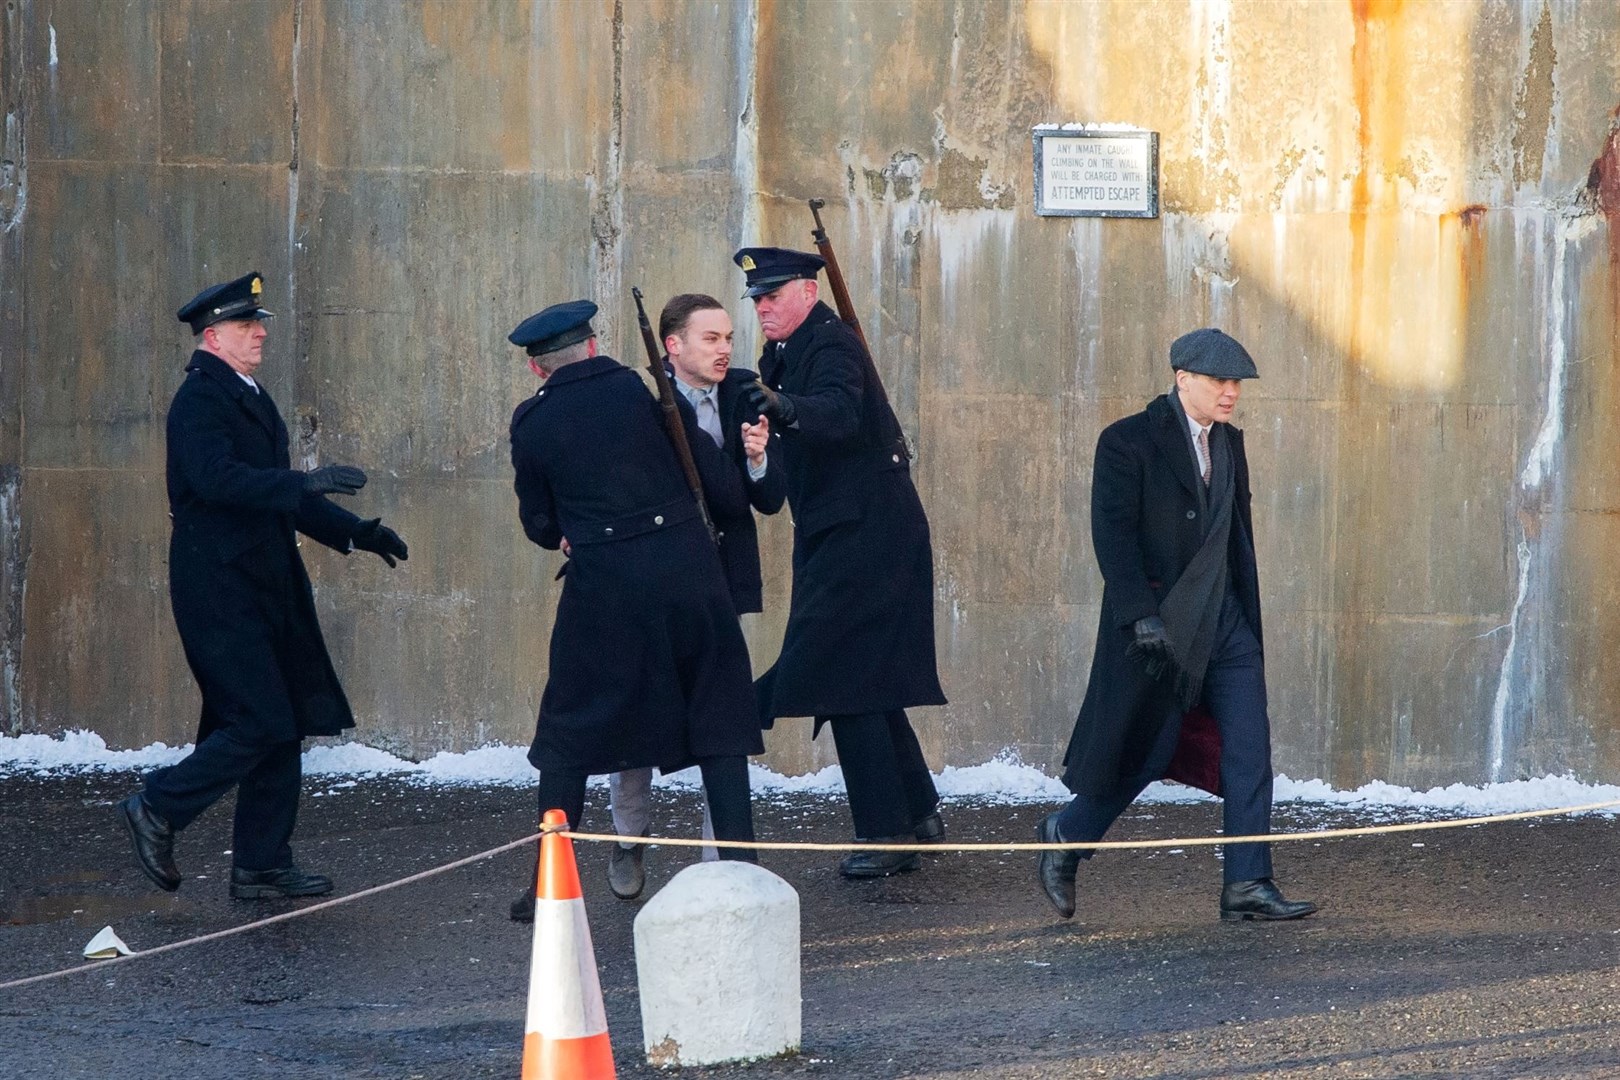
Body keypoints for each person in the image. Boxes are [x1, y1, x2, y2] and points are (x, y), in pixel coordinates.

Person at [117, 271, 409, 900]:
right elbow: (216, 479)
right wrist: (300, 482)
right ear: (213, 335)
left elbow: (278, 495)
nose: (261, 333)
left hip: (263, 583)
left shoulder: (247, 392)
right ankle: (158, 807)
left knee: (283, 718)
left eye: (261, 323)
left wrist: (357, 532)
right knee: (259, 719)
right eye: (248, 325)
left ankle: (261, 863)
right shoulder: (200, 399)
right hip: (219, 586)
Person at [1037, 328, 1317, 923]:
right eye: (1220, 380)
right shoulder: (1126, 442)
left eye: (1237, 382)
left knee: (1248, 750)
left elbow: (1232, 539)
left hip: (1227, 624)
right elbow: (1112, 537)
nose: (1231, 392)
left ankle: (1247, 881)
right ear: (1182, 378)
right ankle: (1066, 834)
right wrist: (1140, 615)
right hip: (1161, 628)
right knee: (1146, 748)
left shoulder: (1231, 446)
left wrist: (1243, 611)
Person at [506, 299, 763, 922]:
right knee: (718, 724)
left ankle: (549, 882)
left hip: (605, 590)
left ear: (540, 369)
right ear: (593, 347)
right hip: (689, 577)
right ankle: (742, 872)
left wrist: (569, 531)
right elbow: (716, 482)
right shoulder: (640, 392)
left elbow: (539, 520)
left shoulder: (532, 421)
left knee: (569, 733)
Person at [731, 247, 947, 878]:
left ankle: (885, 833)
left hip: (870, 534)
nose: (762, 308)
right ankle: (918, 811)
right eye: (756, 300)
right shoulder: (784, 355)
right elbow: (782, 477)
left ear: (805, 291)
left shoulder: (832, 346)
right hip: (840, 534)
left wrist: (785, 407)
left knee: (844, 679)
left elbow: (838, 411)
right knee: (865, 676)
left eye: (772, 296)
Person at [604, 294, 785, 900]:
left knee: (720, 722)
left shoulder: (741, 395)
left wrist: (758, 460)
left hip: (720, 582)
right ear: (672, 346)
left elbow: (766, 500)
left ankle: (722, 861)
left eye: (728, 337)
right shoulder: (640, 405)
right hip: (654, 585)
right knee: (638, 711)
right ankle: (629, 836)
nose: (724, 348)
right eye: (710, 338)